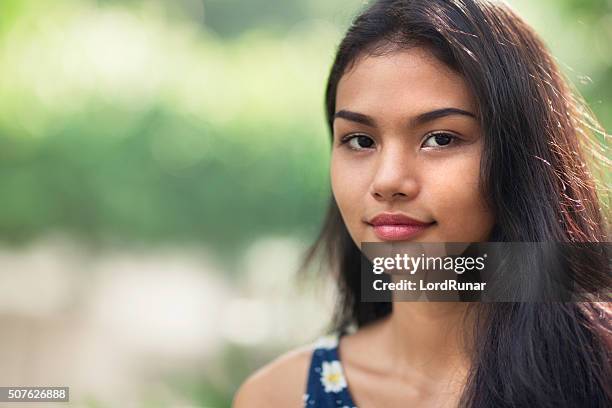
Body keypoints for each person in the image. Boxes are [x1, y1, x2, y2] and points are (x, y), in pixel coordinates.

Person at [233, 0, 611, 406]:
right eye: (360, 140)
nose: (388, 180)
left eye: (441, 138)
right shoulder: (278, 396)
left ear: (522, 158)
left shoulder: (599, 373)